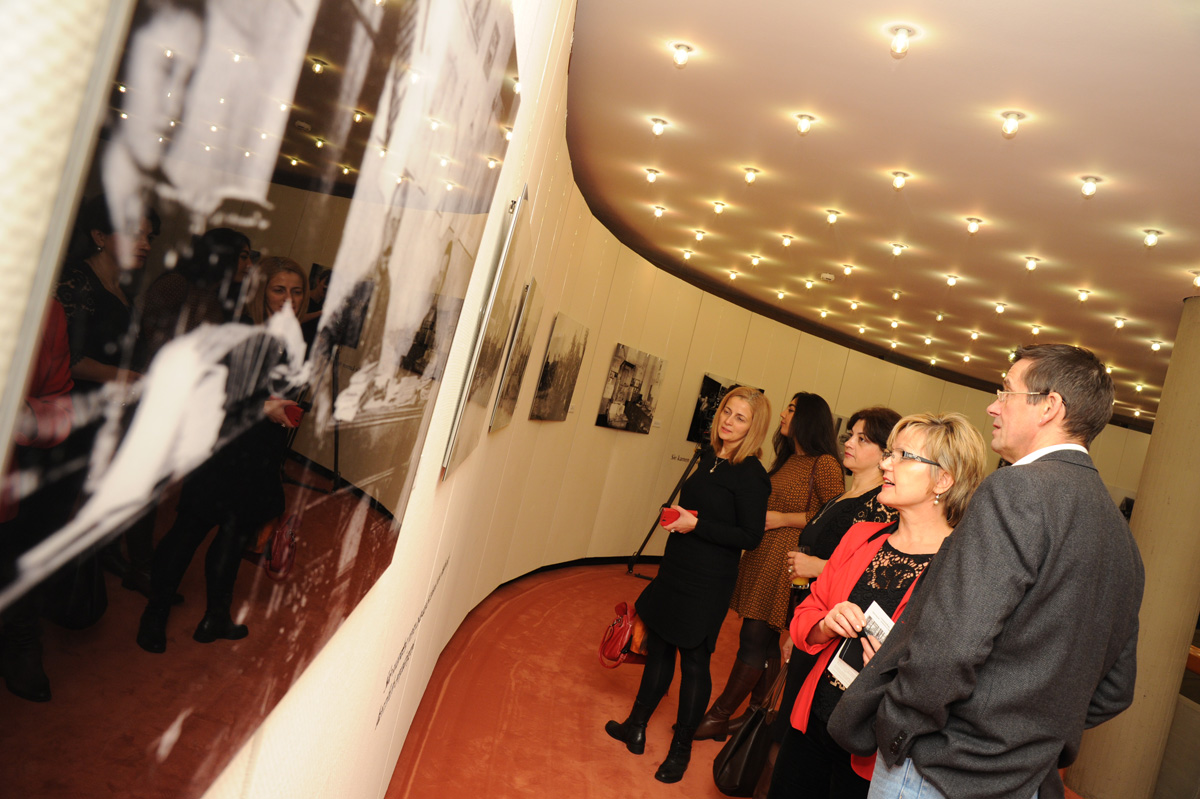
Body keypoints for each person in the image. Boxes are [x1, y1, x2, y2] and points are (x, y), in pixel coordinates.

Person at [828, 344, 1145, 799]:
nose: (992, 405)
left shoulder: (1016, 490)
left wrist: (900, 729)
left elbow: (951, 646)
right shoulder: (1120, 535)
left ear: (1049, 407)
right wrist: (1023, 738)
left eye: (1007, 392)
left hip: (939, 770)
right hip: (1026, 778)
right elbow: (1114, 689)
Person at [769, 413, 987, 799]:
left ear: (944, 479)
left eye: (904, 456)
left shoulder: (960, 569)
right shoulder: (861, 536)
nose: (886, 464)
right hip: (815, 719)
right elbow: (807, 616)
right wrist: (826, 622)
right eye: (889, 453)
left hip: (875, 748)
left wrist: (889, 669)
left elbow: (956, 674)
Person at [136, 257, 307, 654]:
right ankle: (155, 614)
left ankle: (216, 616)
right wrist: (268, 408)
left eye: (296, 291)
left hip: (260, 452)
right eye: (279, 289)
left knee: (232, 535)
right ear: (261, 290)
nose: (289, 299)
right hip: (224, 449)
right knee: (190, 530)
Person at [605, 386, 772, 783]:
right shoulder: (711, 456)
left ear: (755, 427)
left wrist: (696, 523)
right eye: (726, 412)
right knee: (659, 647)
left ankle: (680, 749)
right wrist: (683, 516)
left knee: (694, 661)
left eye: (739, 418)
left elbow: (750, 536)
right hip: (677, 567)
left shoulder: (752, 475)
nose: (727, 422)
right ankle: (636, 727)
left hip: (708, 580)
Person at [746, 407, 901, 798]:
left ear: (885, 452)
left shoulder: (879, 506)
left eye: (862, 438)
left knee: (803, 734)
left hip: (836, 631)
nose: (849, 442)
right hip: (814, 619)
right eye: (851, 434)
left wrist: (817, 566)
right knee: (796, 730)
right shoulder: (845, 493)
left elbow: (862, 573)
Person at [696, 392, 843, 741]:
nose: (782, 414)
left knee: (755, 637)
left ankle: (719, 715)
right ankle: (756, 718)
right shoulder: (788, 458)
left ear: (807, 417)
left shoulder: (824, 464)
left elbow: (834, 517)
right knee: (762, 642)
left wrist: (782, 519)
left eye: (790, 409)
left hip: (789, 562)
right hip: (764, 557)